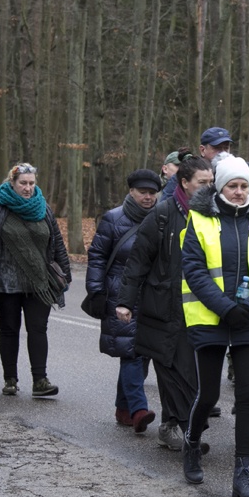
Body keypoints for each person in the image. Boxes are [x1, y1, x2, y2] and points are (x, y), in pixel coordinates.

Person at [181, 156, 249, 497]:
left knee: (247, 396)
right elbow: (193, 268)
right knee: (208, 395)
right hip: (210, 319)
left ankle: (242, 473)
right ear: (219, 187)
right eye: (232, 186)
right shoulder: (199, 218)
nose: (239, 192)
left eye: (243, 185)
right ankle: (191, 443)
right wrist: (224, 307)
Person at [120, 152, 214, 450]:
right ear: (184, 183)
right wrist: (125, 302)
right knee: (172, 367)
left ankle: (175, 425)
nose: (209, 187)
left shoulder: (214, 214)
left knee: (190, 370)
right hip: (163, 306)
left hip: (200, 306)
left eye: (212, 182)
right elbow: (138, 261)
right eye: (203, 182)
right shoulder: (162, 214)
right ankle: (187, 430)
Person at [0, 162, 70, 398]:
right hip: (6, 283)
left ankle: (40, 380)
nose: (27, 188)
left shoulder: (43, 208)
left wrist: (64, 275)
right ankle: (10, 380)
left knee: (38, 329)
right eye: (23, 183)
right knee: (9, 330)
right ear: (12, 183)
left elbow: (56, 243)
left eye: (31, 183)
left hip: (39, 282)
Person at [87, 169, 161, 433]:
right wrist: (96, 290)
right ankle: (139, 409)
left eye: (153, 193)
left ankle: (123, 408)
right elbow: (97, 255)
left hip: (151, 295)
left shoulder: (161, 218)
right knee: (131, 351)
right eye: (143, 192)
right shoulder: (113, 219)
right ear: (131, 192)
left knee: (140, 354)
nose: (148, 197)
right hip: (120, 294)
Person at [161, 127, 233, 200]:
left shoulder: (234, 174)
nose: (223, 153)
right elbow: (166, 206)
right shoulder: (186, 172)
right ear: (202, 150)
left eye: (226, 148)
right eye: (217, 148)